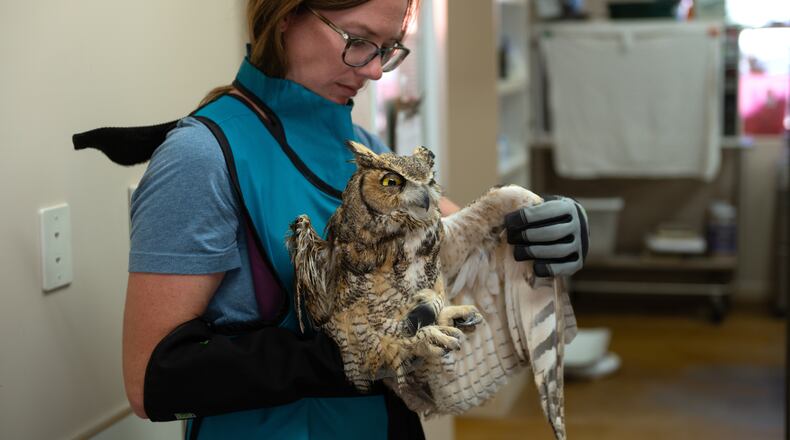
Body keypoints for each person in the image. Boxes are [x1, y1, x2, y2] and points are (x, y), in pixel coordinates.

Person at [116, 0, 590, 438]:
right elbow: (151, 381)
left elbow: (463, 241)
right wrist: (350, 353)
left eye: (388, 49)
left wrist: (541, 225)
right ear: (287, 16)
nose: (376, 71)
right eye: (358, 40)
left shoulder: (365, 149)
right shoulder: (201, 157)